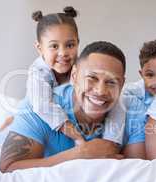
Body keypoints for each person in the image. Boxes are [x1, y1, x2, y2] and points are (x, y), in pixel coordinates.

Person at [0, 41, 126, 172]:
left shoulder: (130, 114)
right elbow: (8, 169)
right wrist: (81, 154)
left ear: (122, 85)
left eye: (111, 82)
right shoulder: (40, 107)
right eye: (92, 77)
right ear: (74, 76)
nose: (100, 91)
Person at [27, 6, 125, 143]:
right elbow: (41, 106)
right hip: (41, 116)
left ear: (78, 43)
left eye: (70, 45)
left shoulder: (81, 67)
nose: (63, 53)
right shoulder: (38, 72)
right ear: (39, 48)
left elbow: (114, 103)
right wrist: (78, 138)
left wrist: (110, 142)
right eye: (54, 46)